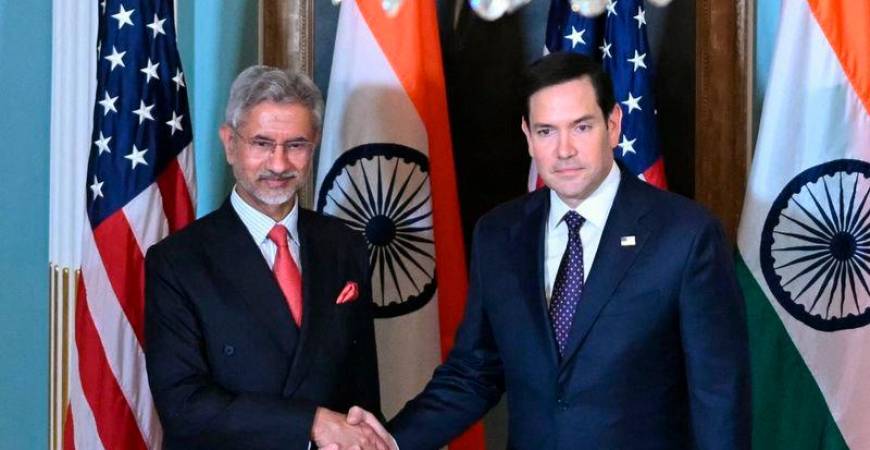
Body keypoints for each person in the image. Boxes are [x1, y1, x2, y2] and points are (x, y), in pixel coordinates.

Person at [349, 52, 750, 449]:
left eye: (581, 127)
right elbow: (474, 372)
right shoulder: (499, 235)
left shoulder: (686, 235)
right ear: (527, 136)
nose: (564, 150)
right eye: (546, 131)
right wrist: (387, 443)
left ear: (613, 126)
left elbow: (719, 396)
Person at [144, 66, 388, 450]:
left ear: (315, 144)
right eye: (261, 143)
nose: (278, 164)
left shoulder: (345, 246)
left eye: (296, 145)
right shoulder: (177, 261)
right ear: (229, 143)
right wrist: (311, 424)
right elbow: (183, 404)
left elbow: (362, 391)